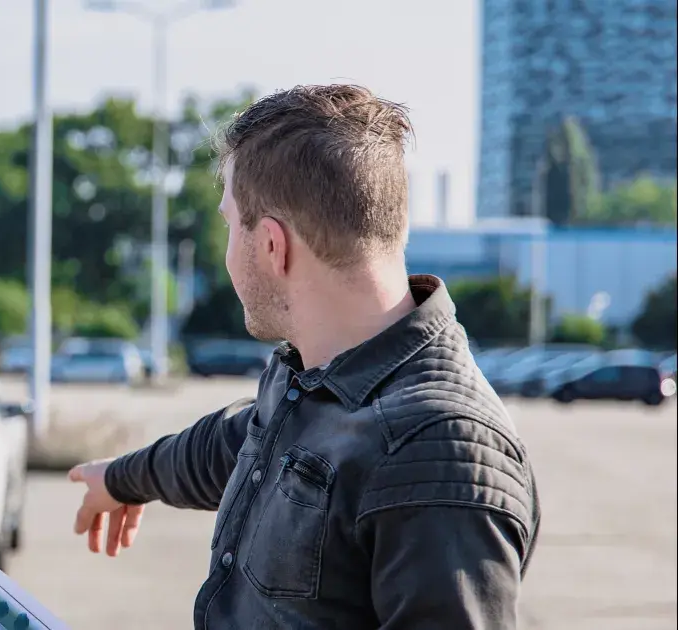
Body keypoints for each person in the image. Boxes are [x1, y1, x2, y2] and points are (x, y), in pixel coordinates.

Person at [68, 84, 541, 629]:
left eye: (228, 225)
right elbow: (236, 443)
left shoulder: (439, 451)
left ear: (272, 245)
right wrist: (124, 478)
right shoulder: (317, 381)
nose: (226, 253)